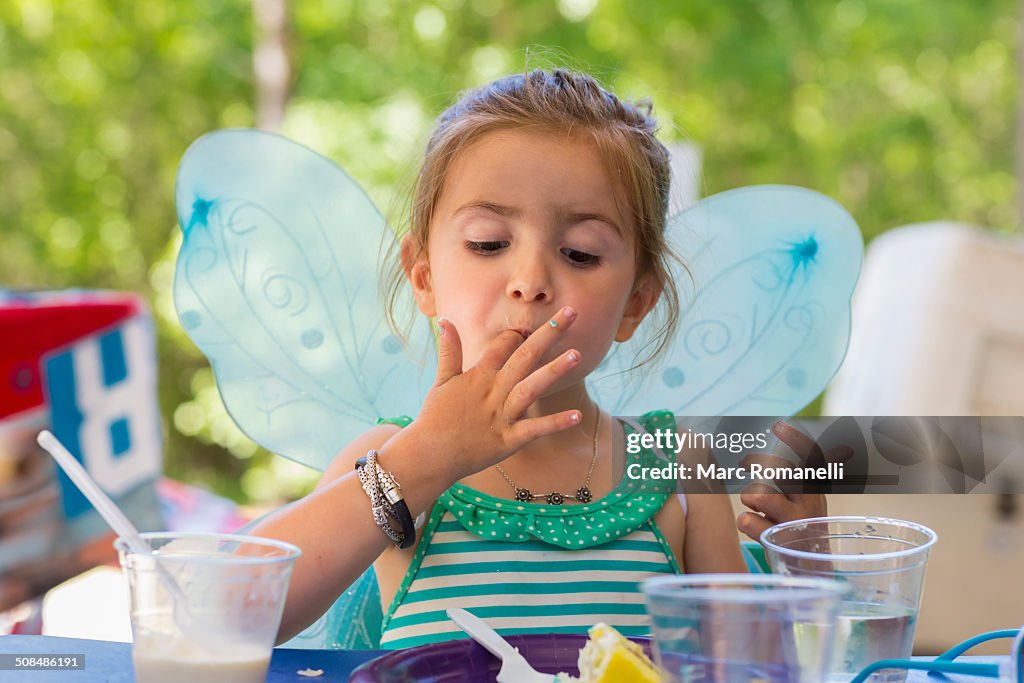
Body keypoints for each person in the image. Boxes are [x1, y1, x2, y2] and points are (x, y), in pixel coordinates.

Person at [251, 68, 828, 649]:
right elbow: (239, 613)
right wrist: (424, 460)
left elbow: (747, 666)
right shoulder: (387, 460)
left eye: (580, 254)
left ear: (637, 302)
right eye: (487, 244)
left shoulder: (677, 470)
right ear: (423, 277)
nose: (529, 281)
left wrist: (806, 569)